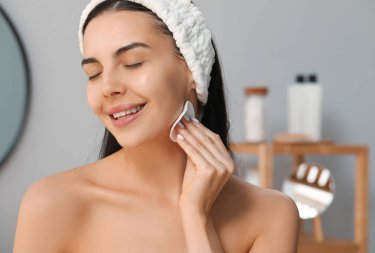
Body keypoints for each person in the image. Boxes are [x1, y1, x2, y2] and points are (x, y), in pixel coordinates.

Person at [13, 0, 299, 252]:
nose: (108, 87)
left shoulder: (270, 215)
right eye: (94, 73)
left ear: (192, 69)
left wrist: (196, 217)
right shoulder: (53, 205)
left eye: (134, 63)